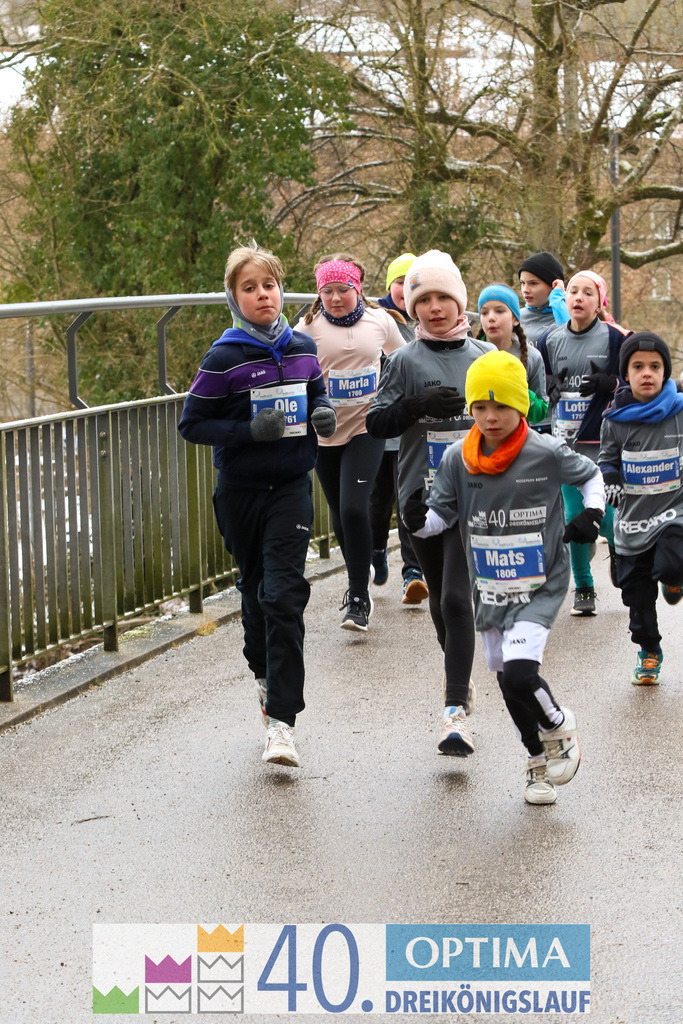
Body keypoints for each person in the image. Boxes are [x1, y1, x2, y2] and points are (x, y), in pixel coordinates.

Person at [405, 350, 605, 804]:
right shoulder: (458, 458)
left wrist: (592, 514)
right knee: (507, 682)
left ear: (520, 405)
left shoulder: (545, 451)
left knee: (518, 674)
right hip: (490, 587)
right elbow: (440, 519)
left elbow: (591, 476)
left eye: (501, 406)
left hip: (540, 583)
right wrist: (418, 520)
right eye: (480, 407)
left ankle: (559, 727)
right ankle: (536, 762)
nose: (490, 417)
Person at [178, 243, 337, 768]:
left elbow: (317, 393)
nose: (262, 295)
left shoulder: (304, 347)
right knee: (255, 593)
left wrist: (323, 412)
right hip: (241, 492)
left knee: (284, 596)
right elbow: (192, 424)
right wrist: (248, 430)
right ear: (234, 298)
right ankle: (265, 678)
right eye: (250, 288)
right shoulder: (222, 358)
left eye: (269, 285)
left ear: (281, 290)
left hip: (291, 486)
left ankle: (282, 724)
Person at [367, 250, 493, 755]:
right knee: (441, 602)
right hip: (421, 499)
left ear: (459, 302)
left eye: (444, 297)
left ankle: (454, 713)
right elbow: (376, 423)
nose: (435, 308)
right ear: (412, 306)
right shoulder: (402, 361)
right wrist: (416, 406)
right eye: (424, 299)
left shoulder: (486, 356)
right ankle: (460, 679)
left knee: (459, 599)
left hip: (476, 496)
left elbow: (516, 424)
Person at [298, 254, 405, 630]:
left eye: (342, 289)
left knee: (354, 508)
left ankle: (358, 597)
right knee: (341, 513)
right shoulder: (307, 327)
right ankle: (361, 570)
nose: (335, 298)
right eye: (327, 291)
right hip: (325, 433)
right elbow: (291, 369)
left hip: (366, 427)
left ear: (357, 288)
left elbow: (402, 358)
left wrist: (394, 400)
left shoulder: (380, 320)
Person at [537, 269, 631, 616]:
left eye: (588, 292)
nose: (578, 297)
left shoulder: (616, 337)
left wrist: (611, 383)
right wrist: (548, 387)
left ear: (600, 302)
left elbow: (636, 380)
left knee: (604, 517)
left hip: (603, 444)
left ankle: (620, 547)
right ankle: (585, 587)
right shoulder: (549, 340)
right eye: (573, 291)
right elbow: (537, 380)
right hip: (565, 444)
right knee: (576, 517)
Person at [599, 332, 683, 685]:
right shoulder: (614, 419)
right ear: (626, 374)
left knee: (673, 563)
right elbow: (607, 458)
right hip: (633, 520)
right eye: (638, 367)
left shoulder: (679, 411)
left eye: (655, 366)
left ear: (665, 372)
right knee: (636, 595)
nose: (647, 373)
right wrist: (611, 478)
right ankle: (649, 650)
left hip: (673, 511)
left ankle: (674, 579)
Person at [371, 252, 429, 603]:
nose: (405, 290)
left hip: (411, 430)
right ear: (389, 285)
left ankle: (413, 573)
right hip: (379, 428)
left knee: (409, 498)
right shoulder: (375, 320)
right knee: (379, 503)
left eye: (412, 283)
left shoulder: (428, 320)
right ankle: (377, 549)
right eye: (399, 282)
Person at [477, 284, 548, 426]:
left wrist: (520, 390)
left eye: (499, 311)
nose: (491, 318)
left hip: (518, 437)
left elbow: (541, 412)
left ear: (515, 319)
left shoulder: (532, 356)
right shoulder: (471, 354)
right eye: (484, 313)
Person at [517, 251, 569, 346]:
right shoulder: (517, 318)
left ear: (553, 285)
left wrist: (557, 302)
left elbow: (570, 340)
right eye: (522, 283)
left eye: (533, 283)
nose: (525, 290)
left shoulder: (573, 312)